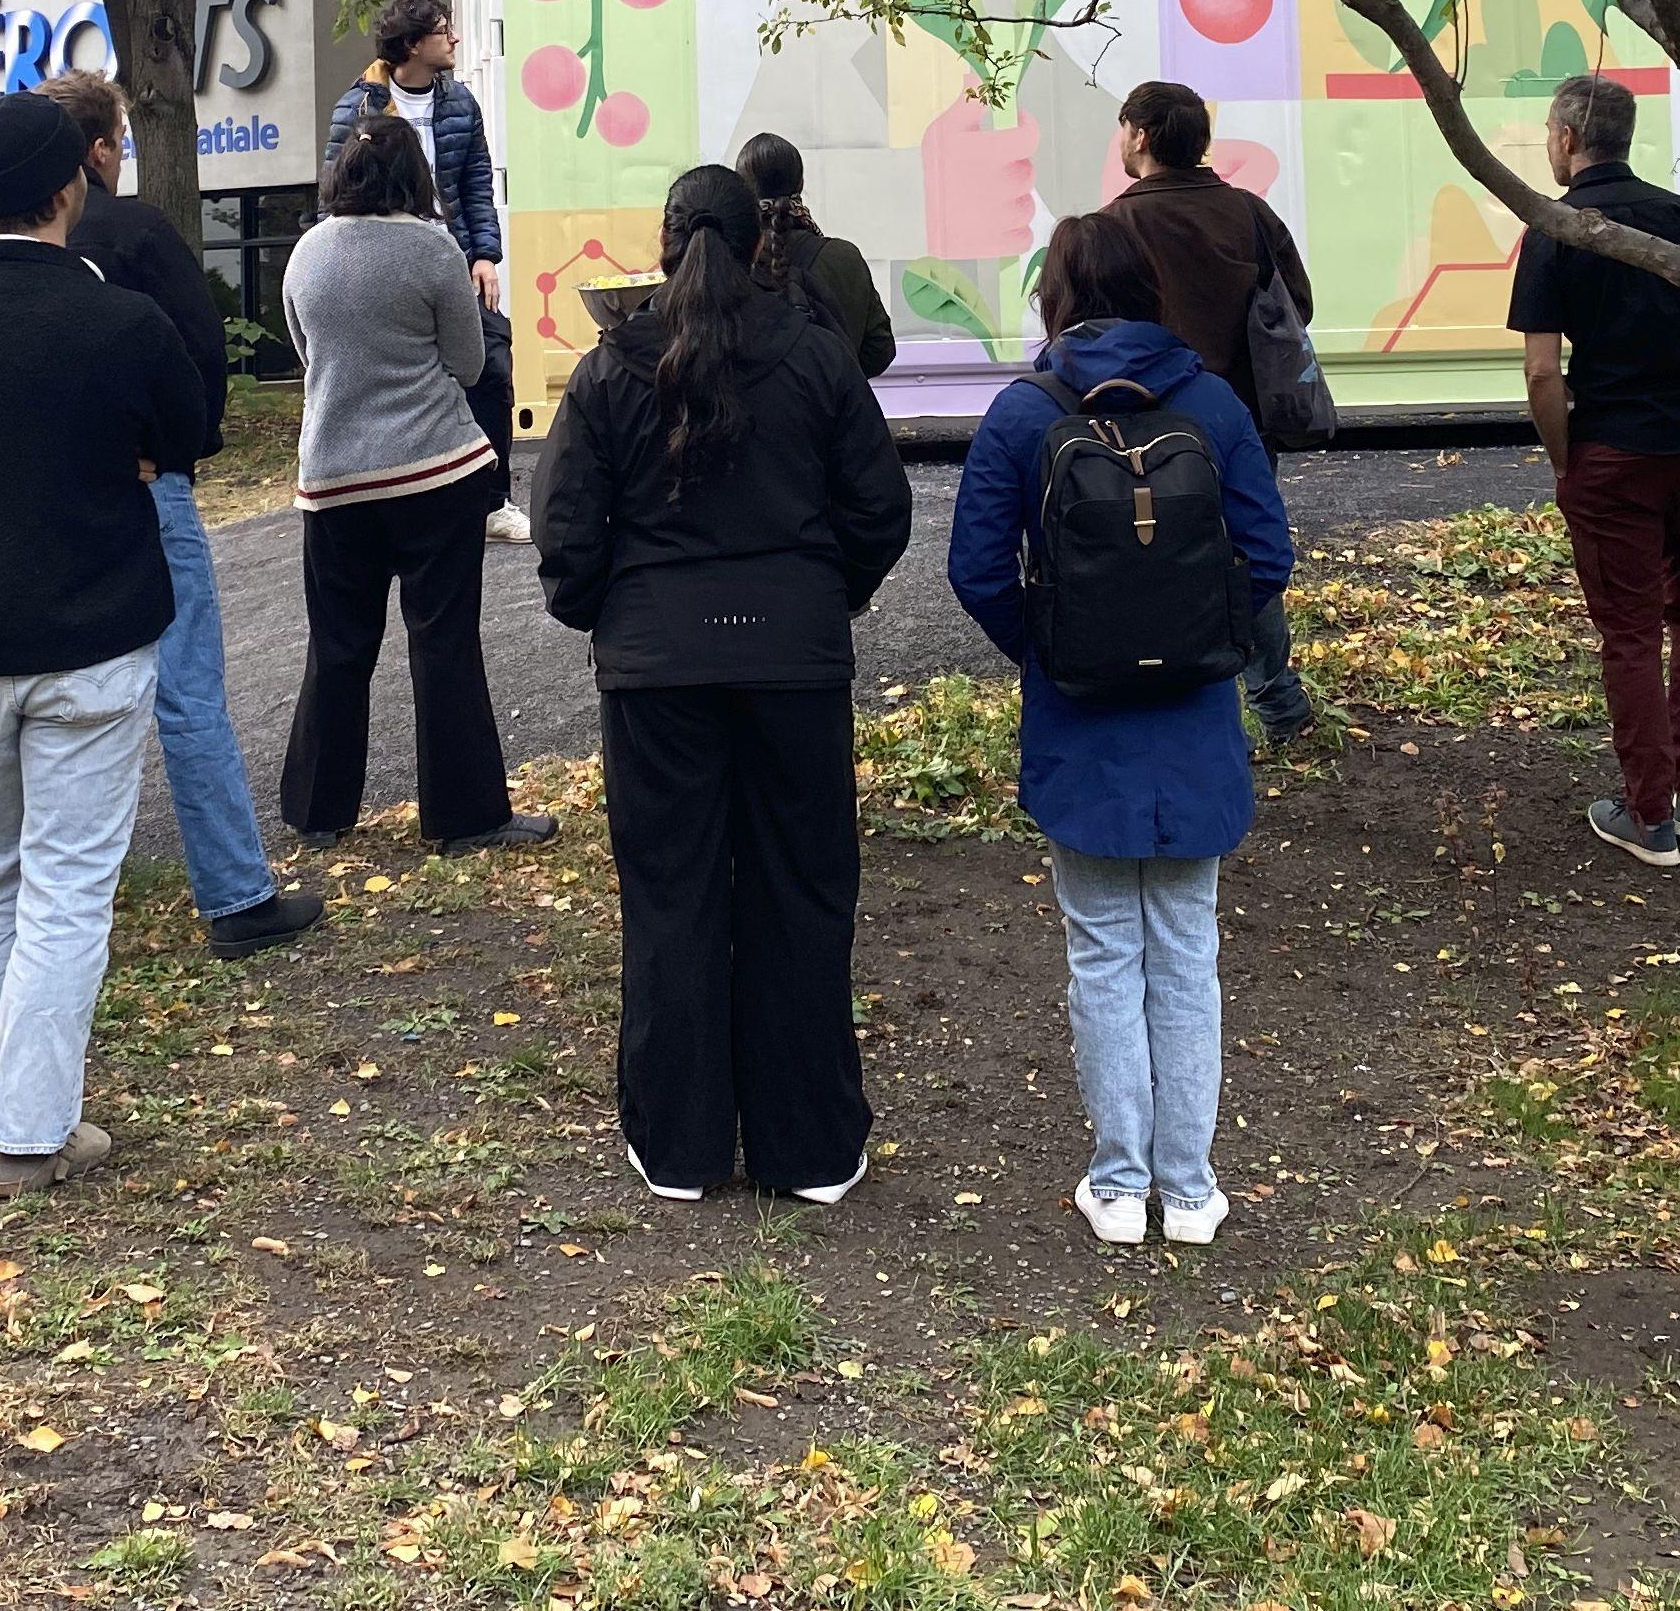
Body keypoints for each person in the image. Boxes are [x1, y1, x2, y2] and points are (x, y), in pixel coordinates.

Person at [534, 166, 914, 1203]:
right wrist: (824, 595)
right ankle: (813, 1147)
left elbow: (566, 530)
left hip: (659, 673)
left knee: (672, 896)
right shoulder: (816, 357)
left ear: (660, 245)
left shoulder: (611, 368)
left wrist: (613, 612)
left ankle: (681, 1144)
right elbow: (880, 508)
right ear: (762, 244)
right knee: (802, 888)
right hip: (792, 661)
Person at [0, 88, 211, 1197]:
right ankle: (28, 1131)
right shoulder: (118, 320)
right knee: (68, 886)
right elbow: (186, 432)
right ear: (69, 187)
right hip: (93, 638)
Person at [944, 213, 1290, 1245]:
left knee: (1101, 950)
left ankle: (1117, 1182)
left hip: (1079, 725)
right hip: (1193, 724)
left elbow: (974, 572)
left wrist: (1055, 648)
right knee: (1187, 949)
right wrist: (1200, 633)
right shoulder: (1214, 406)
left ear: (1057, 297)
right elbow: (1266, 556)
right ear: (1152, 290)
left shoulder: (1023, 413)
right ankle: (1188, 1191)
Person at [44, 72, 325, 960]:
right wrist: (183, 447)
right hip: (148, 486)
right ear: (98, 150)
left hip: (40, 498)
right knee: (189, 691)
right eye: (120, 139)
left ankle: (3, 882)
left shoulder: (4, 255)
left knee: (37, 697)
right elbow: (200, 350)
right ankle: (235, 893)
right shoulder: (136, 233)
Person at [278, 120, 551, 856]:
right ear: (414, 175)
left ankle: (317, 810)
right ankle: (466, 817)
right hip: (434, 472)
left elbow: (305, 352)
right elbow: (467, 363)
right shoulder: (432, 249)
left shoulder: (305, 253)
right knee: (443, 643)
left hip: (333, 479)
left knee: (337, 644)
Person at [1508, 73, 1680, 870]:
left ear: (1570, 138)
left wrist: (1565, 457)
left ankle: (1647, 815)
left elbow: (1543, 372)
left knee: (1630, 633)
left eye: (1550, 131)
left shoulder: (1558, 227)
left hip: (1616, 452)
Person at [1103, 81, 1319, 742]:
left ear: (1139, 135)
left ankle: (1176, 697)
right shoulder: (1250, 213)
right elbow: (1297, 306)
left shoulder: (1117, 224)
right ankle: (1279, 703)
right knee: (1247, 559)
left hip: (1150, 433)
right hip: (1244, 423)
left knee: (1153, 560)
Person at [326, 0, 525, 543]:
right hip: (385, 268)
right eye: (444, 32)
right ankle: (388, 494)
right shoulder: (358, 108)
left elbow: (476, 186)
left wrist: (485, 254)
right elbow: (333, 198)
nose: (455, 39)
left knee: (492, 367)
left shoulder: (460, 102)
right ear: (413, 45)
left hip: (455, 263)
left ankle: (493, 501)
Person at [733, 132, 896, 376]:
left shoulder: (734, 261)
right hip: (834, 410)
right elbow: (880, 349)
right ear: (800, 183)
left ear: (743, 190)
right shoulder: (844, 257)